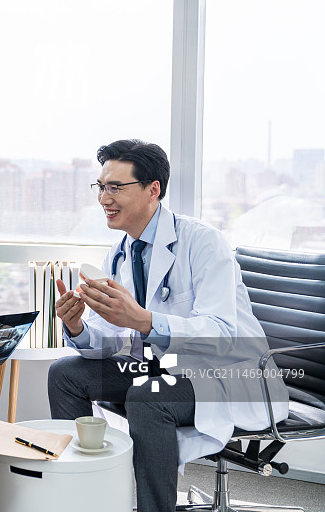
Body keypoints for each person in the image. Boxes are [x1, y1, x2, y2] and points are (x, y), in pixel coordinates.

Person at [47, 139, 289, 512]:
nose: (103, 198)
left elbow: (223, 334)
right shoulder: (120, 253)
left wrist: (144, 321)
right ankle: (85, 498)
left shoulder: (203, 242)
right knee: (65, 374)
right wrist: (77, 327)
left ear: (152, 190)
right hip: (165, 370)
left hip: (225, 375)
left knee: (149, 395)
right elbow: (110, 344)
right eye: (100, 187)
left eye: (115, 187)